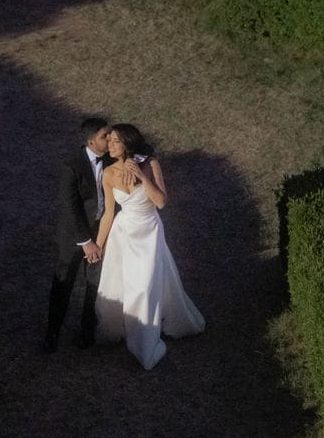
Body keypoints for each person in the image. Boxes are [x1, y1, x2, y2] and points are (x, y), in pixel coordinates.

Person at [94, 123, 204, 371]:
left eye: (115, 141)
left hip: (149, 233)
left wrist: (143, 178)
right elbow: (109, 213)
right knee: (125, 284)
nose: (110, 145)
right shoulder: (108, 174)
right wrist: (99, 245)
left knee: (144, 285)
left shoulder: (150, 164)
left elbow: (161, 202)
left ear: (128, 144)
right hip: (124, 234)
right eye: (109, 140)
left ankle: (144, 342)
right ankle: (125, 328)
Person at [43, 115, 111, 352]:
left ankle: (87, 331)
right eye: (105, 136)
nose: (110, 138)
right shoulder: (72, 167)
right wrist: (86, 241)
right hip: (74, 238)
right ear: (91, 141)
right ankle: (52, 333)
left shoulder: (112, 160)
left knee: (95, 284)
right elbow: (69, 206)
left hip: (101, 234)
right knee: (64, 284)